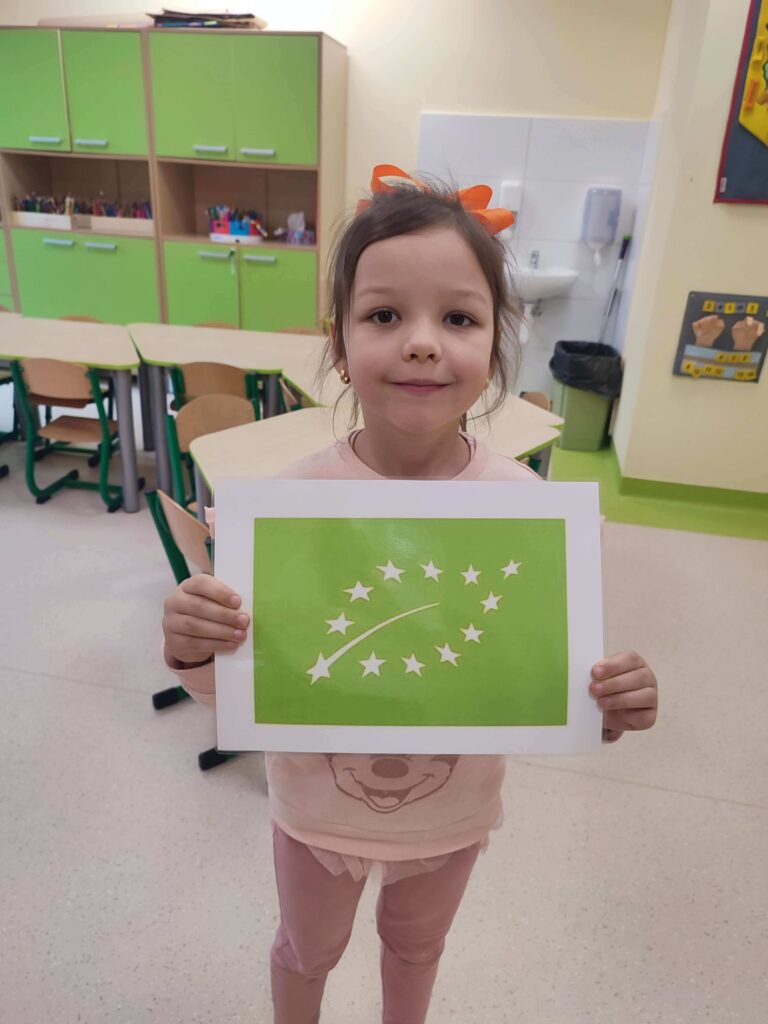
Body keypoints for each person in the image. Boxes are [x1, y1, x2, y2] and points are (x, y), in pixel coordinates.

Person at [162, 165, 659, 1024]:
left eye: (458, 318)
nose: (423, 343)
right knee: (307, 950)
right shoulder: (285, 506)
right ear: (339, 342)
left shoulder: (530, 513)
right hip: (316, 814)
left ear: (496, 341)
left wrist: (607, 707)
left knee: (418, 949)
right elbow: (233, 691)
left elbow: (544, 684)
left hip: (451, 819)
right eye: (385, 315)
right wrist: (191, 644)